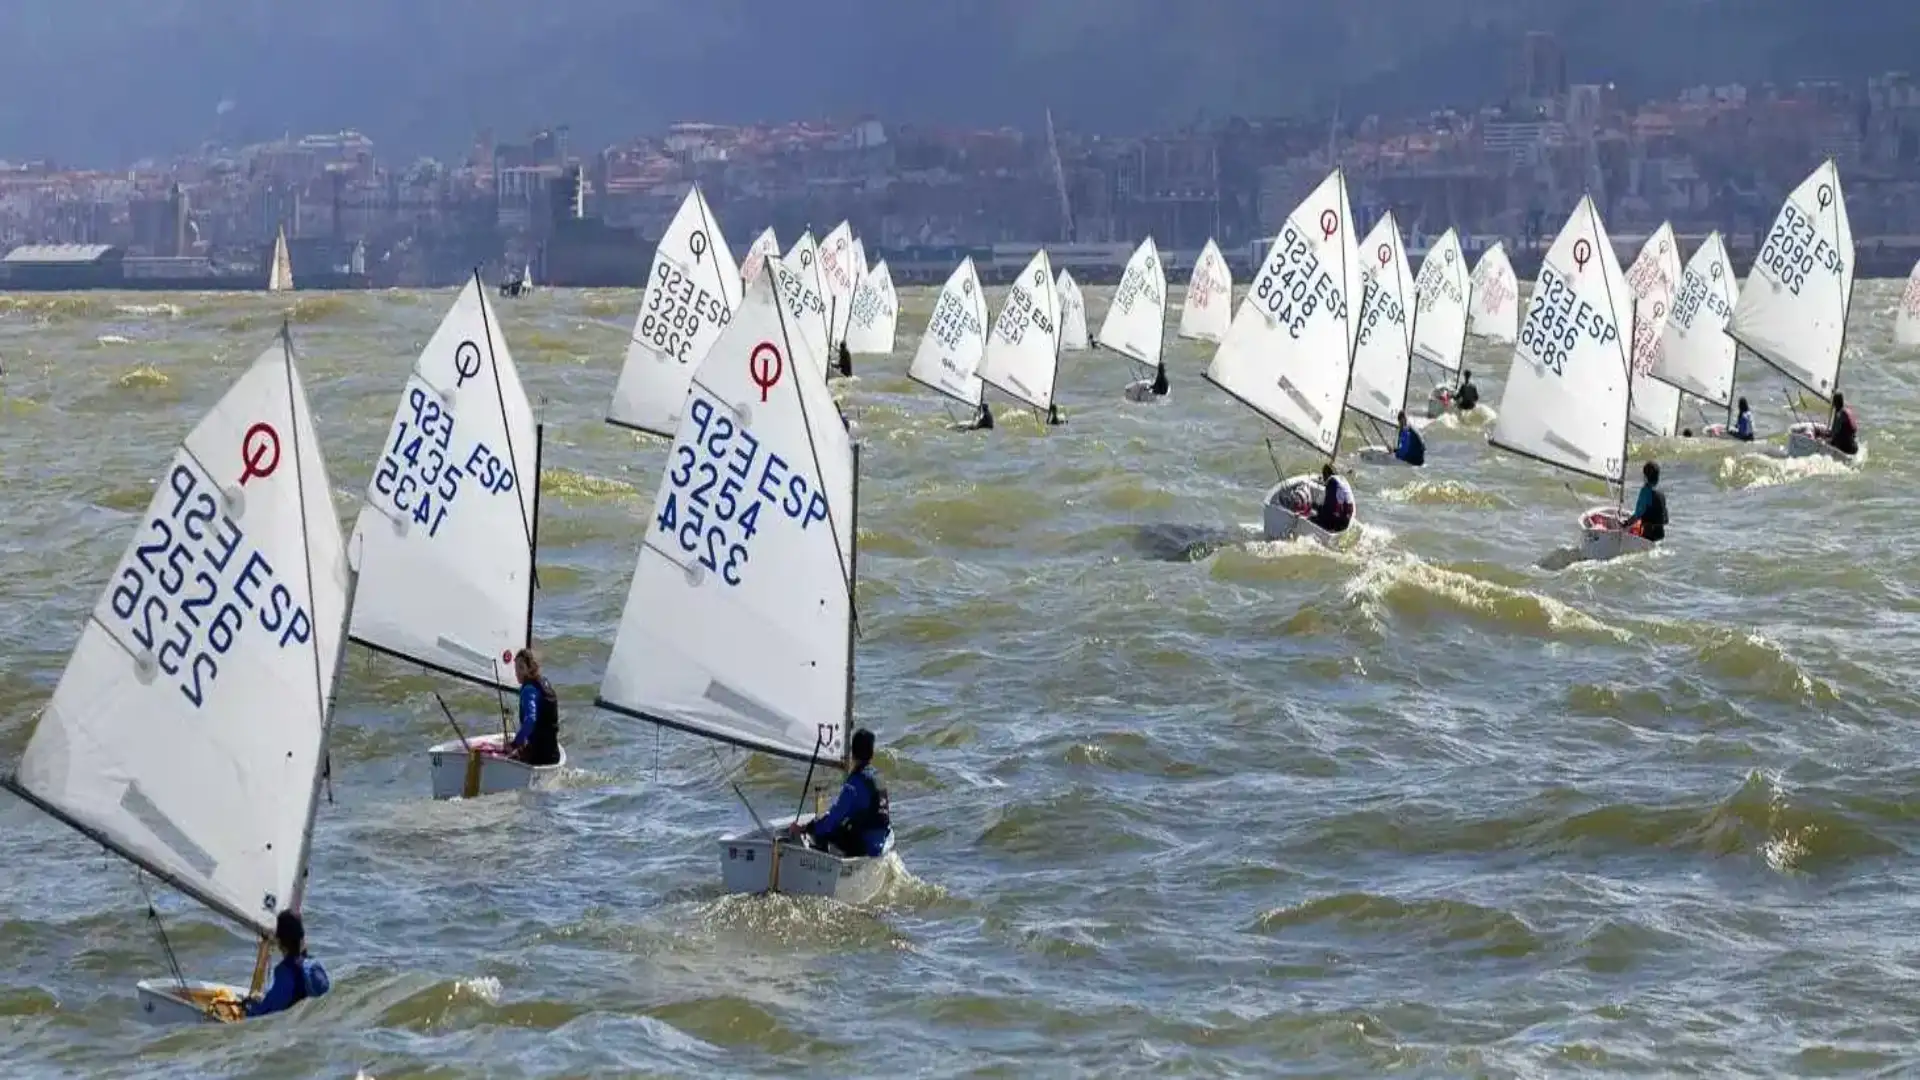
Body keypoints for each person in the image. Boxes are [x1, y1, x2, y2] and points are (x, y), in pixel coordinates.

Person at [790, 728, 892, 858]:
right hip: (882, 839)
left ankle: (823, 867)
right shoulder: (878, 777)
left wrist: (807, 828)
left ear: (852, 753)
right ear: (872, 754)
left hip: (866, 846)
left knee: (824, 831)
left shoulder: (855, 783)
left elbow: (834, 818)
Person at [243, 911, 329, 1018]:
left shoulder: (284, 973)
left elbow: (262, 1014)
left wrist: (248, 1004)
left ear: (279, 942)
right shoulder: (315, 966)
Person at [505, 648, 560, 766]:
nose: (517, 672)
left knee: (507, 756)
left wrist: (514, 744)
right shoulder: (543, 682)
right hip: (553, 754)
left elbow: (530, 720)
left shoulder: (529, 690)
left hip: (540, 757)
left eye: (521, 667)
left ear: (530, 668)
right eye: (516, 668)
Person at [1621, 460, 1667, 543]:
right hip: (1661, 535)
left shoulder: (1645, 491)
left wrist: (1626, 524)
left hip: (1649, 536)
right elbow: (1665, 519)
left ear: (1645, 477)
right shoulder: (1661, 493)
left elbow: (1637, 515)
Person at [1307, 463, 1354, 533]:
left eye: (1323, 475)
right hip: (1346, 522)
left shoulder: (1332, 483)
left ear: (1326, 474)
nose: (1323, 478)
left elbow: (1328, 508)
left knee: (1310, 518)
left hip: (1337, 523)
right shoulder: (1341, 480)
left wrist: (1313, 506)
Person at [1812, 391, 1859, 455]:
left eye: (1833, 402)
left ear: (1835, 403)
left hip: (1846, 448)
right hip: (1854, 447)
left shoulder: (1839, 414)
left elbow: (1833, 433)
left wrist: (1821, 435)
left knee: (1821, 440)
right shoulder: (1848, 411)